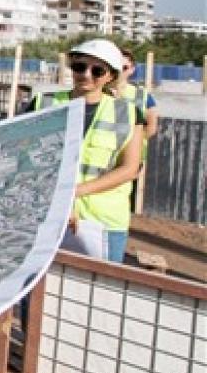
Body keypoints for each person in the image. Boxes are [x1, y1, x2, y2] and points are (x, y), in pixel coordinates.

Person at [27, 39, 142, 263]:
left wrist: (73, 193)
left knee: (98, 283)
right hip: (45, 214)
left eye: (97, 71)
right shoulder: (43, 104)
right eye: (80, 67)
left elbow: (129, 169)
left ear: (110, 76)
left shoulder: (128, 113)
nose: (86, 75)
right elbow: (22, 157)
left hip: (103, 221)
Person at [116, 47, 159, 209]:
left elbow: (151, 126)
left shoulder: (141, 95)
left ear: (132, 70)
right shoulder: (99, 92)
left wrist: (132, 146)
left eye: (125, 67)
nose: (120, 72)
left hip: (132, 156)